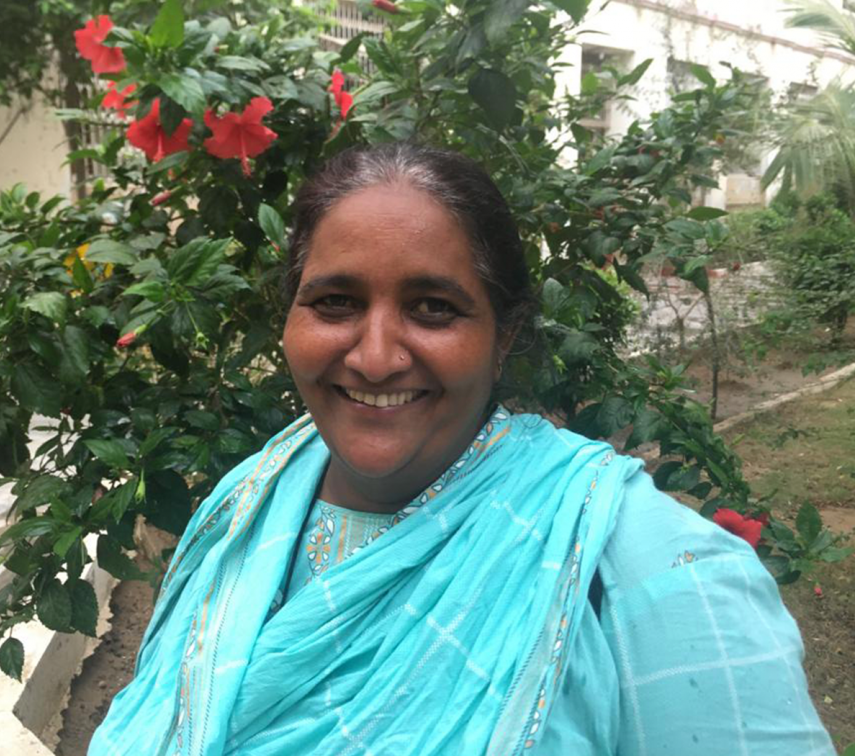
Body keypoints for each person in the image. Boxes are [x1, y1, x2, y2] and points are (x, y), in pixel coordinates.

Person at [89, 143, 834, 755]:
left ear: (503, 334)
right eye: (336, 302)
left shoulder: (651, 573)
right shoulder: (243, 511)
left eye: (434, 308)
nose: (375, 357)